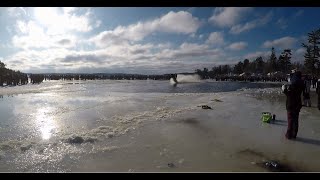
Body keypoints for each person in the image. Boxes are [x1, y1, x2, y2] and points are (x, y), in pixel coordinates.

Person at [282, 71, 304, 140]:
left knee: (290, 120)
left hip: (291, 105)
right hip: (297, 105)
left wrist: (284, 90)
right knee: (295, 120)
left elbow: (290, 95)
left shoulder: (293, 84)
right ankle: (294, 134)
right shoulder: (301, 83)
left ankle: (289, 135)